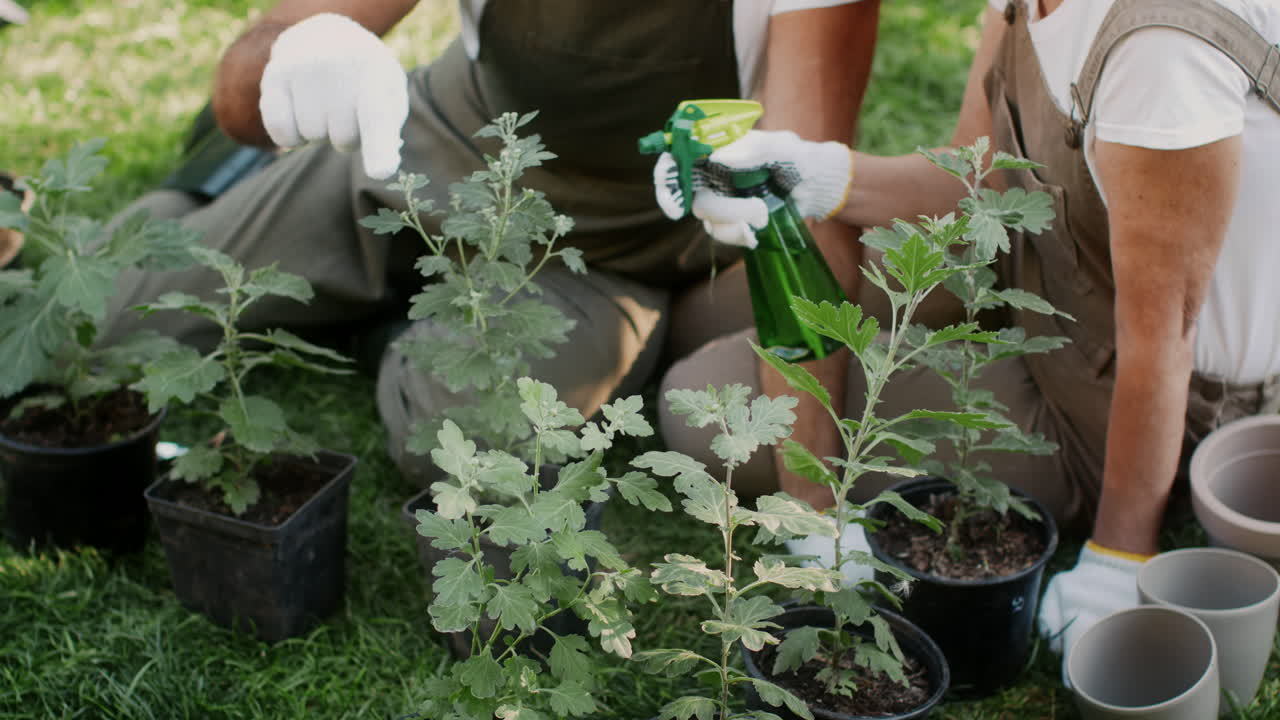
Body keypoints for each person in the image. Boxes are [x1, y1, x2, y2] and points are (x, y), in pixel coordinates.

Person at [657, 0, 1280, 674]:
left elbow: (1163, 339)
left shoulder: (1161, 47)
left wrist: (1119, 556)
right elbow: (973, 178)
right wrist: (803, 172)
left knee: (708, 401)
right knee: (717, 317)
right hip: (1048, 270)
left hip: (1149, 401)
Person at [97, 0, 883, 483]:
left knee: (468, 448)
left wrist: (817, 516)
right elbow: (245, 87)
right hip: (423, 147)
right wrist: (290, 58)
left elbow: (798, 218)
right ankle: (206, 194)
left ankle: (393, 331)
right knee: (102, 326)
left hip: (603, 249)